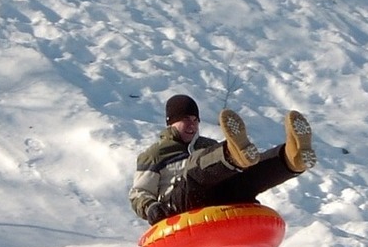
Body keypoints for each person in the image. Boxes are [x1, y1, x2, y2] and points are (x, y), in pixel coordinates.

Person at [129, 94, 317, 226]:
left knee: (244, 177)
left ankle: (291, 158)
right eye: (186, 119)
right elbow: (139, 193)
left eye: (195, 120)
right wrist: (151, 207)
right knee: (195, 169)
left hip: (215, 203)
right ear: (171, 122)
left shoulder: (207, 144)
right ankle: (231, 155)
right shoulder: (155, 154)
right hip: (177, 208)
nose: (192, 125)